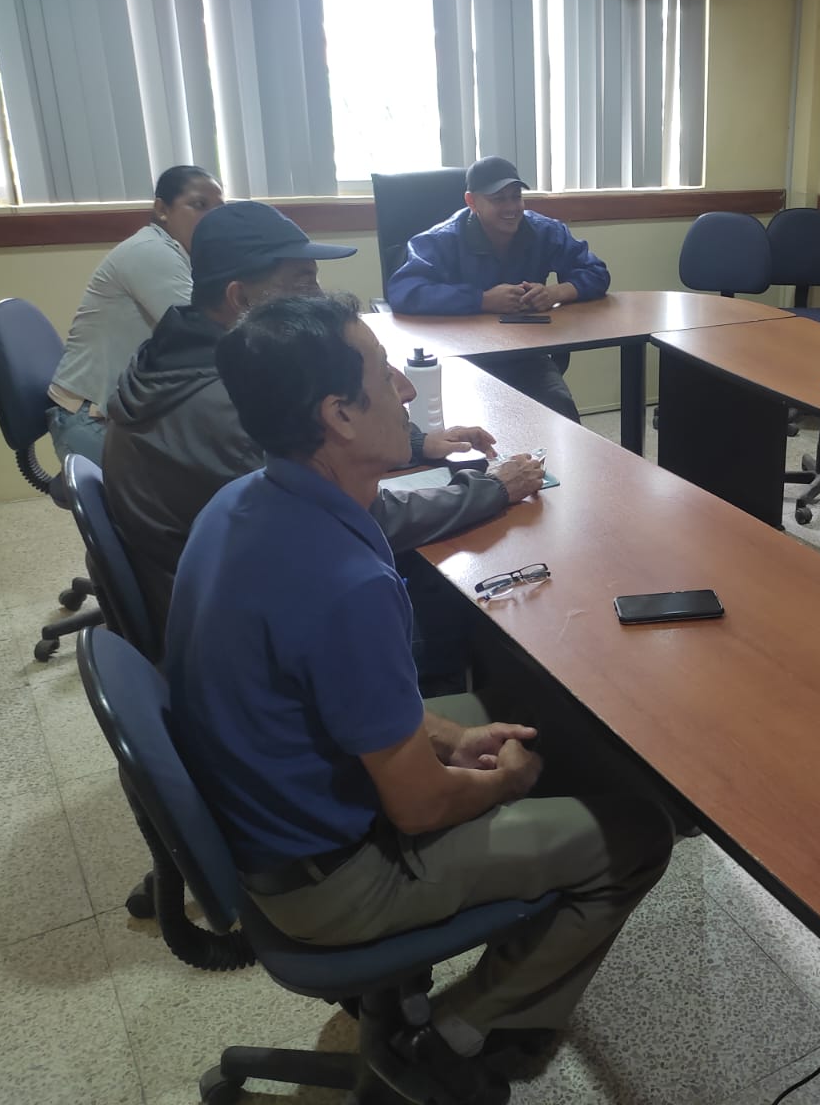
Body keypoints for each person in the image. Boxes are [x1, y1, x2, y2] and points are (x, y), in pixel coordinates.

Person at [169, 293, 670, 1093]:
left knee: (531, 722)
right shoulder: (344, 584)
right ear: (338, 414)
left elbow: (345, 698)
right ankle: (455, 1036)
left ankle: (494, 965)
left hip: (274, 815)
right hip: (331, 883)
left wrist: (453, 739)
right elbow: (421, 807)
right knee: (637, 834)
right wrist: (504, 783)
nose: (405, 390)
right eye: (383, 374)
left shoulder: (241, 502)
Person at [102, 200, 542, 649]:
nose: (318, 296)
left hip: (221, 593)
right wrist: (491, 489)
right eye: (302, 282)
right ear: (241, 299)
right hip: (252, 635)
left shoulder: (177, 354)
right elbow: (356, 520)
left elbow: (314, 451)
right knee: (480, 601)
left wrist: (415, 443)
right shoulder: (230, 404)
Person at [385, 156, 611, 422]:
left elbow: (597, 272)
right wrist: (481, 300)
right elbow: (403, 291)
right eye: (498, 199)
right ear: (471, 202)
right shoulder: (441, 240)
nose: (511, 208)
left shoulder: (544, 231)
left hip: (525, 354)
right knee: (473, 422)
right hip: (461, 355)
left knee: (560, 410)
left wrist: (555, 293)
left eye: (516, 197)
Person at [46, 165, 224, 462]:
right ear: (162, 209)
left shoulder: (184, 255)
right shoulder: (151, 251)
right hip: (90, 420)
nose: (212, 218)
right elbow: (206, 335)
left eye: (219, 209)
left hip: (129, 413)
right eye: (199, 205)